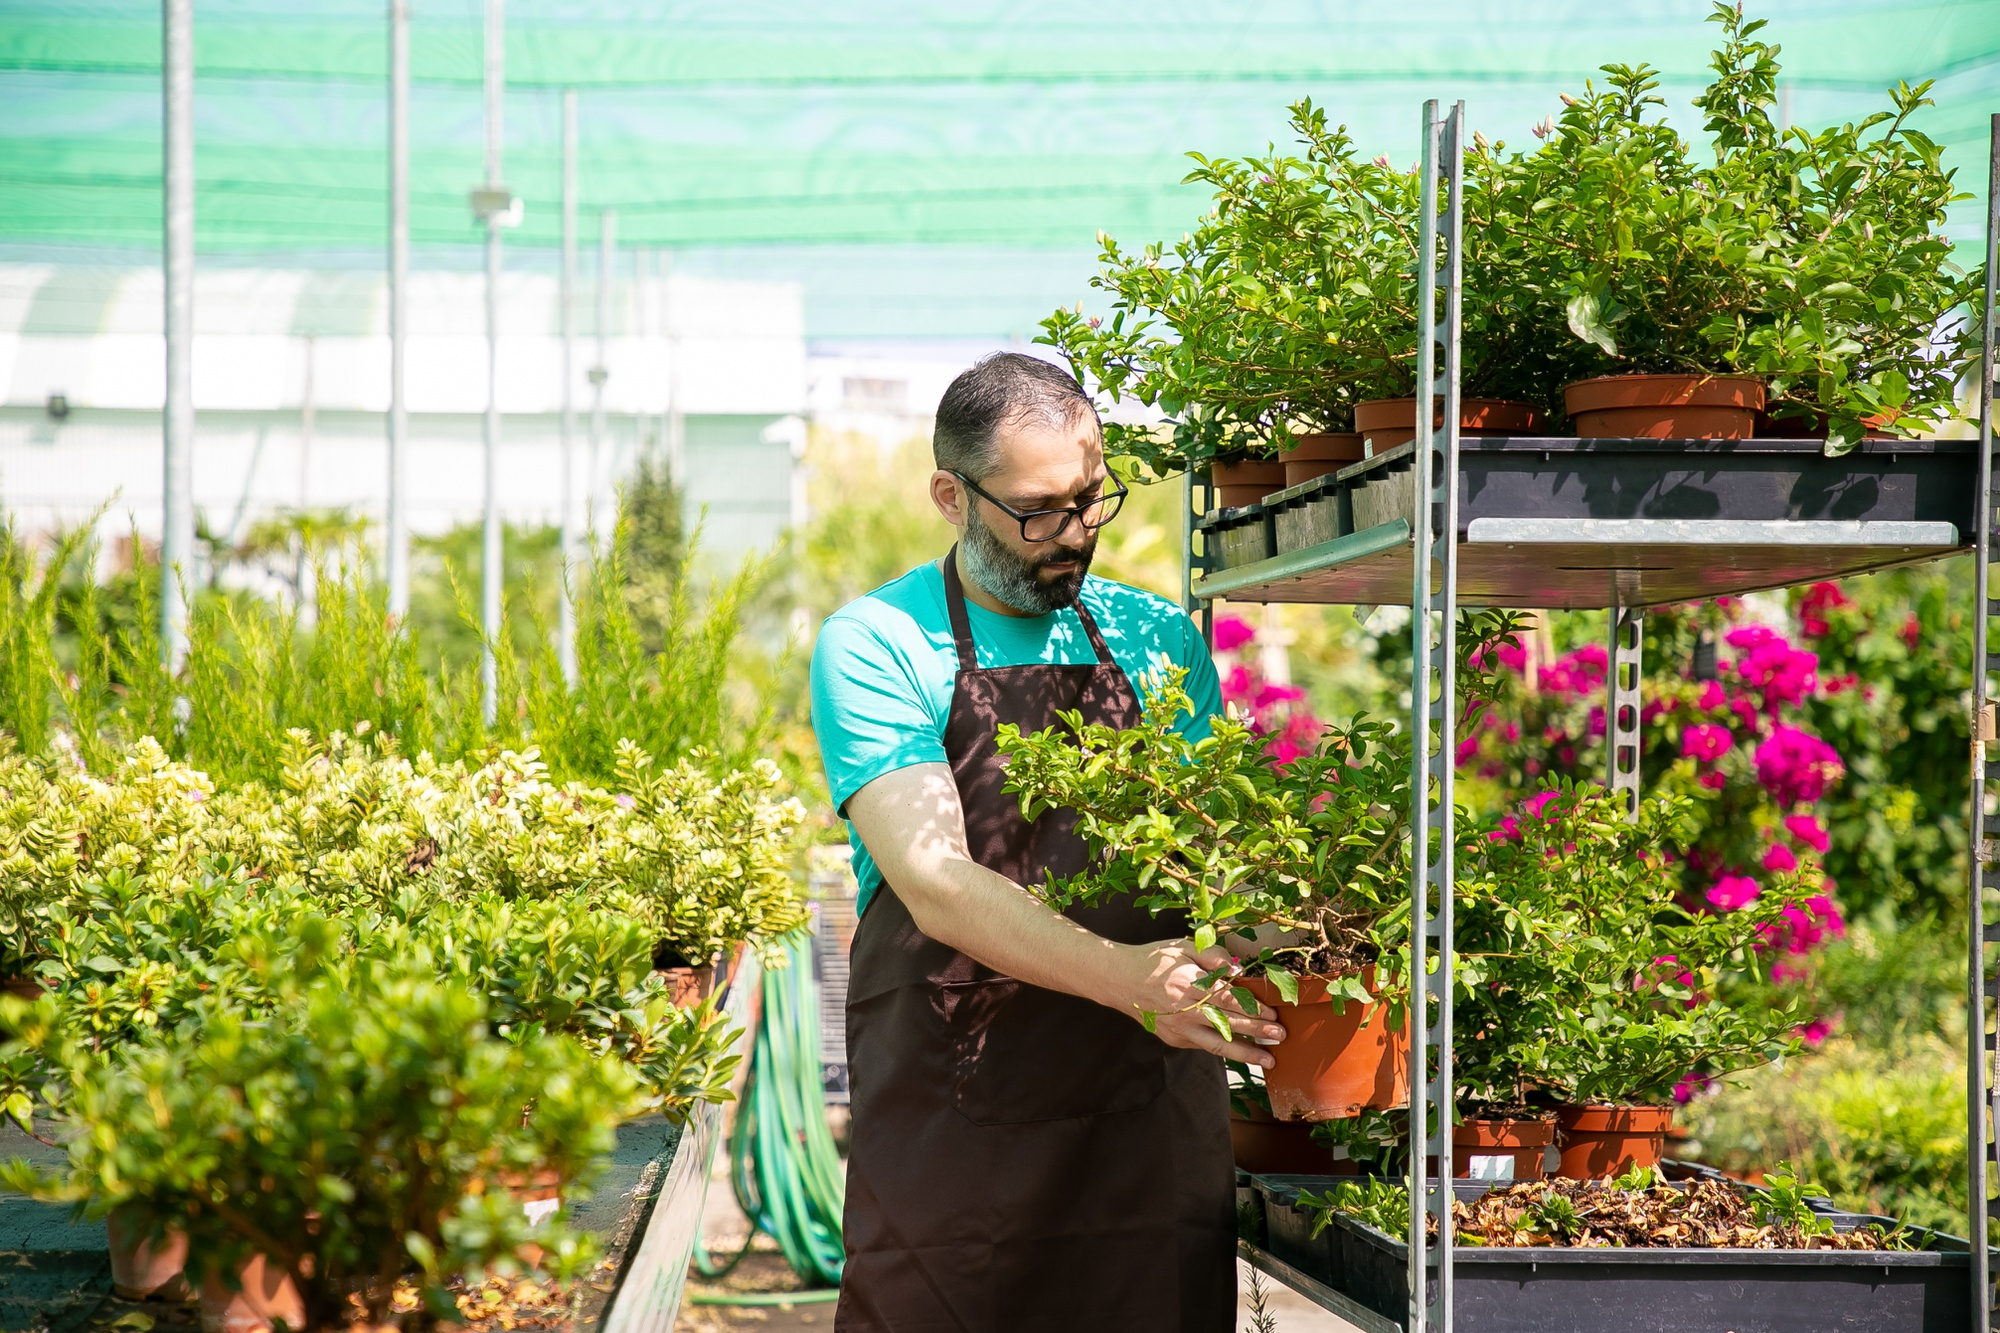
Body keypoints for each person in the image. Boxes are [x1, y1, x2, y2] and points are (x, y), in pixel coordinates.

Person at [809, 352, 1286, 1332]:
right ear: (951, 495)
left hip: (1139, 1138)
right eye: (1037, 512)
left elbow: (1225, 865)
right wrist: (1129, 979)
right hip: (953, 1136)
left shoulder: (1157, 640)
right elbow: (936, 882)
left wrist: (1300, 950)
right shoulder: (877, 643)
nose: (1072, 536)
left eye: (1089, 500)